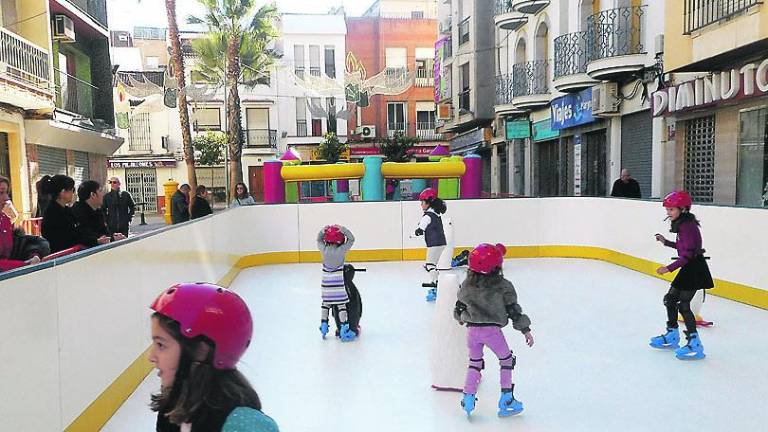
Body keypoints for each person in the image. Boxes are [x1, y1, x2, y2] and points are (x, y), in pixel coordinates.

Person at [149, 282, 279, 432]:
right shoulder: (175, 403)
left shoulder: (245, 426)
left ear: (201, 351)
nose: (151, 356)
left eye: (161, 345)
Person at [454, 243, 534, 417]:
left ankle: (468, 397)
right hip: (492, 332)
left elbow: (459, 309)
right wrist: (525, 329)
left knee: (475, 363)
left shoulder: (467, 285)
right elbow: (513, 310)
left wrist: (461, 319)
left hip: (472, 332)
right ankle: (506, 399)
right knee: (506, 360)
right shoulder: (503, 286)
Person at [650, 190, 714, 360]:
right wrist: (666, 242)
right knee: (670, 300)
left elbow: (687, 255)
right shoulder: (683, 225)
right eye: (667, 210)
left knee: (683, 306)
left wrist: (668, 268)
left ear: (683, 209)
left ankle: (695, 344)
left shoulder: (687, 226)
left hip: (694, 268)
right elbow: (683, 248)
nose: (668, 213)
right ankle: (672, 335)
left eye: (671, 209)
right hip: (689, 267)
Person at [316, 224, 357, 341]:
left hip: (326, 286)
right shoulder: (341, 250)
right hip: (338, 287)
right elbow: (352, 239)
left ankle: (324, 324)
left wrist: (323, 230)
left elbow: (318, 239)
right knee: (341, 305)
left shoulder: (323, 249)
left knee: (325, 304)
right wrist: (343, 229)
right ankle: (344, 327)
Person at [0, 176, 41, 270]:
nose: (6, 198)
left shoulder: (5, 219)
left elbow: (17, 246)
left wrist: (34, 255)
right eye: (1, 193)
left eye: (7, 193)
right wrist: (23, 265)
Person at [413, 188, 447, 302]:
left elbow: (422, 226)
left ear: (429, 202)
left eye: (422, 202)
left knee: (430, 265)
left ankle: (437, 285)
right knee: (431, 265)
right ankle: (437, 282)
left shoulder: (428, 215)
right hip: (439, 243)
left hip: (435, 243)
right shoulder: (435, 213)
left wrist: (417, 231)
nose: (421, 205)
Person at [72, 180, 125, 249]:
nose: (103, 194)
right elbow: (83, 236)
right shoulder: (77, 211)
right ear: (93, 195)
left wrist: (113, 237)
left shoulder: (97, 210)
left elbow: (103, 233)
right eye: (100, 191)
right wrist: (97, 241)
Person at [40, 175, 79, 253]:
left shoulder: (66, 210)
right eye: (72, 190)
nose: (74, 193)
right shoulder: (52, 214)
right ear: (63, 192)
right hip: (61, 256)